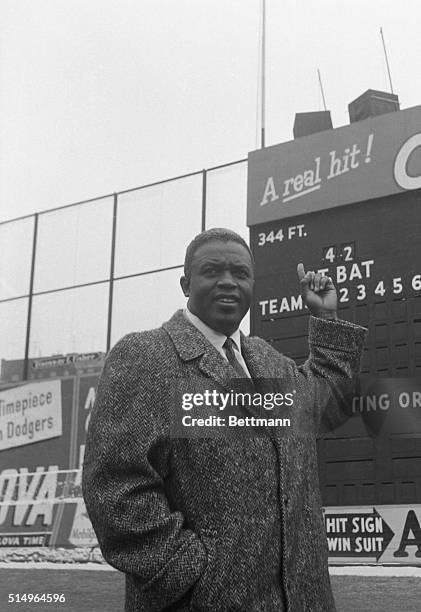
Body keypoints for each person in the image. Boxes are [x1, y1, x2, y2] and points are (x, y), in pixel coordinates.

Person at [82, 228, 367, 611]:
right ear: (186, 283)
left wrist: (326, 318)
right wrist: (194, 573)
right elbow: (115, 489)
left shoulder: (267, 360)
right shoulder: (147, 357)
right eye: (212, 271)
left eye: (241, 273)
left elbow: (324, 410)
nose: (228, 282)